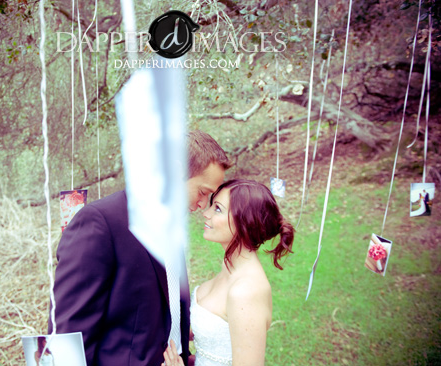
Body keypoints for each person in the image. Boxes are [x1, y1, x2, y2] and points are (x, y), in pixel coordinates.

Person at [50, 130, 231, 366]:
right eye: (203, 192)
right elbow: (68, 338)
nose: (202, 204)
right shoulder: (99, 223)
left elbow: (160, 313)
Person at [163, 179, 295, 366]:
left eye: (217, 209)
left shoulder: (247, 291)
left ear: (245, 222)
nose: (205, 213)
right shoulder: (231, 271)